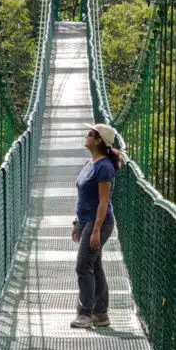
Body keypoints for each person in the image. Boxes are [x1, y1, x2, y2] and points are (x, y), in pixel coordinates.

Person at [70, 122, 122, 329]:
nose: (86, 136)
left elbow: (103, 201)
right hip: (85, 222)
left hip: (98, 222)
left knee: (83, 266)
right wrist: (76, 223)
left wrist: (97, 230)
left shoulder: (104, 168)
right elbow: (83, 197)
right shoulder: (90, 163)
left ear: (99, 140)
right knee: (95, 266)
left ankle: (85, 314)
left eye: (90, 134)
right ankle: (101, 314)